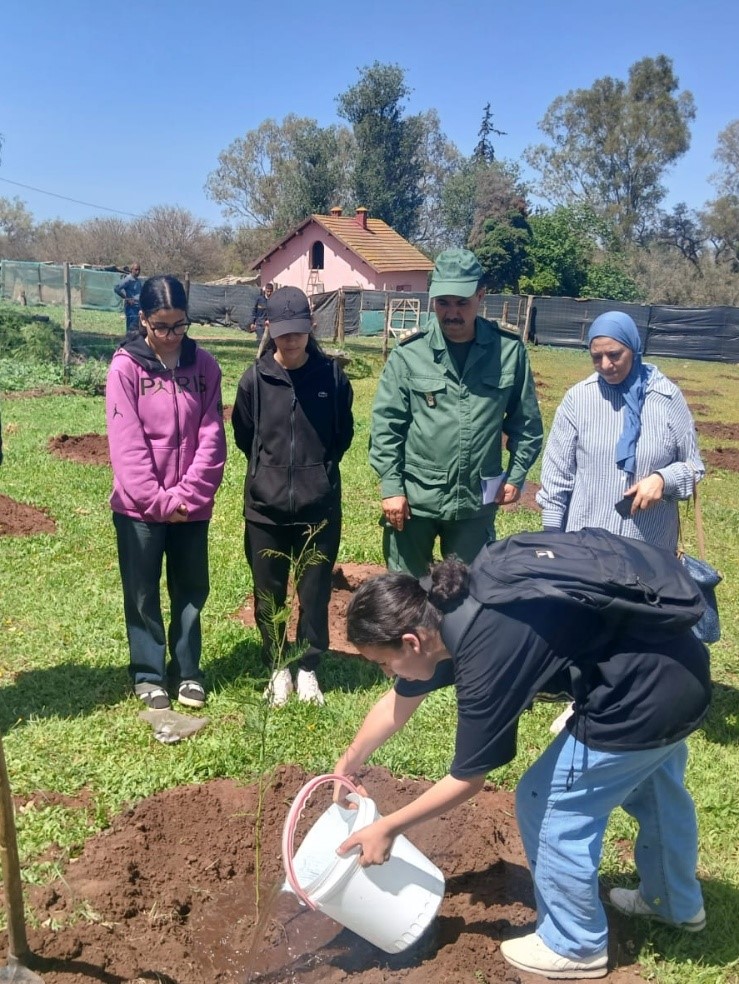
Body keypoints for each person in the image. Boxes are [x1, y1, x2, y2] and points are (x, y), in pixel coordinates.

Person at [333, 546, 710, 980]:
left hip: (642, 697)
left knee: (546, 799)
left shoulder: (485, 648)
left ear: (410, 642)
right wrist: (347, 764)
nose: (388, 674)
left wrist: (388, 827)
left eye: (384, 663)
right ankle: (673, 902)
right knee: (652, 786)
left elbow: (467, 779)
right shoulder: (442, 604)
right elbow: (396, 704)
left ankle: (574, 944)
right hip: (678, 667)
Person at [369, 247, 542, 578]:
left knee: (469, 593)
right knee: (406, 592)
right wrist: (392, 487)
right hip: (415, 500)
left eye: (462, 303)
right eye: (443, 303)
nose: (452, 313)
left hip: (475, 502)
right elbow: (386, 426)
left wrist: (516, 475)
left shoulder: (508, 351)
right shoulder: (410, 353)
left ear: (481, 296)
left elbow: (527, 424)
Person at [106, 275, 226, 710]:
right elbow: (126, 443)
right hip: (138, 508)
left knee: (190, 589)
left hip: (191, 507)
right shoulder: (125, 368)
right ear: (143, 319)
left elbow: (212, 436)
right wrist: (158, 501)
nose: (172, 335)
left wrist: (187, 496)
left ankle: (188, 671)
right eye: (161, 326)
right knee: (141, 592)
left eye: (180, 325)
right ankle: (149, 673)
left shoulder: (205, 367)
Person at [232, 286, 354, 707]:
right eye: (283, 332)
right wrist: (270, 474)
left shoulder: (332, 378)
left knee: (315, 592)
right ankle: (277, 666)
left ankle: (307, 668)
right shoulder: (254, 380)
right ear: (269, 327)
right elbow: (245, 436)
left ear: (312, 326)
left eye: (299, 331)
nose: (291, 339)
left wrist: (313, 473)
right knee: (268, 593)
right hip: (265, 510)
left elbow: (341, 436)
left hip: (318, 508)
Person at [536, 310, 704, 552]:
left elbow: (693, 467)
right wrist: (551, 538)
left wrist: (663, 479)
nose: (605, 365)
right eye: (596, 357)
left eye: (614, 355)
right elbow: (557, 475)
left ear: (633, 349)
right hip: (587, 547)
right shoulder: (579, 399)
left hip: (649, 548)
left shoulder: (667, 397)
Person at [113, 262, 144, 335]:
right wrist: (127, 299)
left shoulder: (138, 281)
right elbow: (117, 289)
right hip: (131, 308)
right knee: (131, 328)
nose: (137, 272)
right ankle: (129, 341)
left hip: (138, 307)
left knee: (137, 328)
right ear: (131, 270)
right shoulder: (128, 279)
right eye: (136, 269)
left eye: (139, 270)